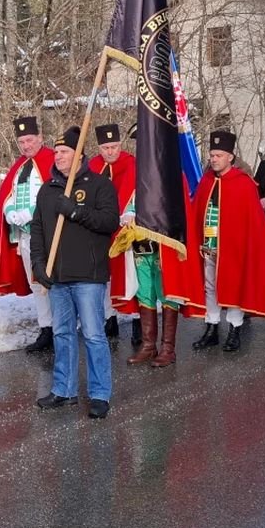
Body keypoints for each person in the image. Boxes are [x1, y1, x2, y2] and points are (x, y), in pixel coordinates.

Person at [92, 124, 203, 365]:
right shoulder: (134, 171)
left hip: (166, 246)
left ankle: (168, 348)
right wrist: (127, 214)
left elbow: (177, 210)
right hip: (140, 245)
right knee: (145, 293)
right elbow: (128, 200)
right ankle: (148, 344)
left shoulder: (173, 173)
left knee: (168, 292)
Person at [30, 126, 119, 419]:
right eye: (56, 152)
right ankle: (64, 390)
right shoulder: (48, 189)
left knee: (93, 334)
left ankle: (99, 394)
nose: (58, 157)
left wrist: (76, 211)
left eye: (64, 151)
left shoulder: (98, 185)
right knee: (62, 334)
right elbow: (38, 230)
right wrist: (39, 264)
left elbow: (109, 221)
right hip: (58, 278)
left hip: (88, 277)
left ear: (79, 154)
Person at [192, 130, 265, 347]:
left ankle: (234, 329)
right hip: (209, 245)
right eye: (212, 155)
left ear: (230, 157)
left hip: (234, 247)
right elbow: (198, 211)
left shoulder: (243, 183)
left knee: (234, 286)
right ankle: (211, 326)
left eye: (219, 155)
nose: (214, 159)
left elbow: (253, 222)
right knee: (210, 286)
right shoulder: (206, 181)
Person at [0, 117, 57, 352]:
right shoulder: (19, 166)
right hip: (25, 236)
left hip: (49, 235)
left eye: (30, 140)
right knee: (36, 284)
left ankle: (61, 328)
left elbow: (56, 195)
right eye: (21, 142)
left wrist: (33, 212)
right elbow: (8, 195)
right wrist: (9, 211)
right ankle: (46, 328)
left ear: (40, 138)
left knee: (53, 283)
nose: (26, 146)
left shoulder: (53, 159)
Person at [87, 123, 140, 351]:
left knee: (129, 275)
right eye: (106, 147)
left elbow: (142, 191)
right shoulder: (92, 167)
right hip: (99, 231)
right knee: (103, 277)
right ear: (99, 148)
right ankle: (110, 320)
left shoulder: (132, 164)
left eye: (114, 146)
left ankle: (138, 321)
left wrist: (132, 210)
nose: (110, 152)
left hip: (125, 230)